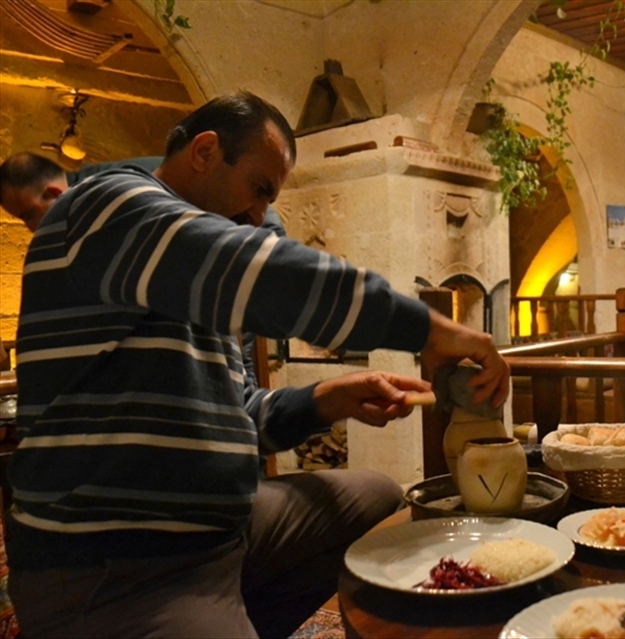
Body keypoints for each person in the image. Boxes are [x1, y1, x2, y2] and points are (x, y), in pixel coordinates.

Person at [5, 90, 510, 638]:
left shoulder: (192, 279)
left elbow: (237, 415)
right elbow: (268, 274)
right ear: (204, 151)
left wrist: (327, 400)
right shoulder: (105, 204)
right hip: (117, 566)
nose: (261, 214)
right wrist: (431, 331)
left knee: (378, 498)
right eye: (260, 188)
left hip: (220, 533)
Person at [0, 151, 283, 390]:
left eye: (27, 216)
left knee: (234, 364)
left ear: (53, 193)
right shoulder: (89, 203)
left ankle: (248, 424)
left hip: (249, 229)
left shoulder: (100, 202)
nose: (30, 229)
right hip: (229, 243)